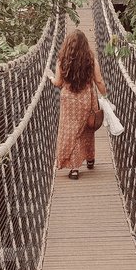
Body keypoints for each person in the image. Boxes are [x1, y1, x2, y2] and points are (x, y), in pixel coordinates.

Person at [51, 28, 106, 179]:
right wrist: (105, 95)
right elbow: (99, 80)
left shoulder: (62, 60)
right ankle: (90, 159)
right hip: (86, 99)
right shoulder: (90, 59)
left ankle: (74, 169)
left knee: (71, 132)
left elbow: (58, 82)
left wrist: (50, 78)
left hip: (68, 100)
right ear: (85, 45)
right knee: (86, 129)